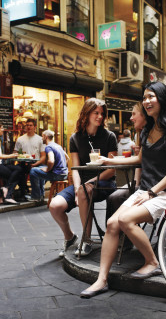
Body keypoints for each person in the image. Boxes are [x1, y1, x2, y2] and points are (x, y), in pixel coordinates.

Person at [80, 81, 166, 298]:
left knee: (125, 220)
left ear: (163, 99)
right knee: (112, 223)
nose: (146, 101)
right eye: (145, 97)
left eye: (151, 97)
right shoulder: (147, 129)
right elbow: (140, 159)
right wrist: (106, 160)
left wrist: (152, 192)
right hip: (146, 191)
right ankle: (101, 280)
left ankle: (152, 261)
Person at [49, 98, 118, 258]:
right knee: (55, 206)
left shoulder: (109, 137)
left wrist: (88, 184)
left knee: (83, 191)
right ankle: (70, 237)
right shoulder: (75, 138)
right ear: (86, 114)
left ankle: (87, 241)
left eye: (102, 113)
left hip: (104, 182)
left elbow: (112, 170)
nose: (100, 116)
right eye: (96, 113)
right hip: (82, 184)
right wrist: (77, 188)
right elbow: (75, 168)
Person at [105, 102, 147, 250]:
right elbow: (139, 162)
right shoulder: (139, 134)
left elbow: (139, 161)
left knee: (116, 197)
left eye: (134, 114)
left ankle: (124, 240)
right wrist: (136, 183)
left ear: (144, 115)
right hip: (142, 184)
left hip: (151, 187)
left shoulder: (148, 133)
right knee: (113, 197)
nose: (131, 117)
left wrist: (109, 160)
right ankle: (114, 237)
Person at [28, 130, 68, 202]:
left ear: (45, 137)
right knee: (40, 168)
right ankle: (41, 194)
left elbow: (51, 160)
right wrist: (62, 167)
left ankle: (36, 196)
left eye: (42, 136)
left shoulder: (48, 147)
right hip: (64, 174)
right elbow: (67, 158)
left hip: (57, 175)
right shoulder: (58, 146)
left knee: (33, 171)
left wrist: (48, 169)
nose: (41, 138)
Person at [13, 118, 46, 200]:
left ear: (35, 127)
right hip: (23, 163)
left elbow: (43, 156)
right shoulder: (20, 139)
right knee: (17, 170)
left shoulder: (40, 139)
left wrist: (36, 164)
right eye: (27, 125)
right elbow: (15, 152)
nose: (29, 127)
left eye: (31, 125)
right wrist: (19, 156)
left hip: (37, 163)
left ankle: (39, 193)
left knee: (38, 170)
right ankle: (23, 192)